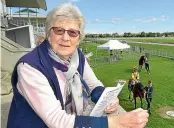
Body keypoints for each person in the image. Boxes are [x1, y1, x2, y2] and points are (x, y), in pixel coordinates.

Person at [7, 3, 149, 128]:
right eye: (59, 30)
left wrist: (106, 98)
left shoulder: (77, 56)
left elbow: (93, 84)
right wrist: (116, 123)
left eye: (72, 32)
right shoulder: (30, 67)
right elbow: (57, 120)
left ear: (79, 38)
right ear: (49, 33)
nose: (65, 38)